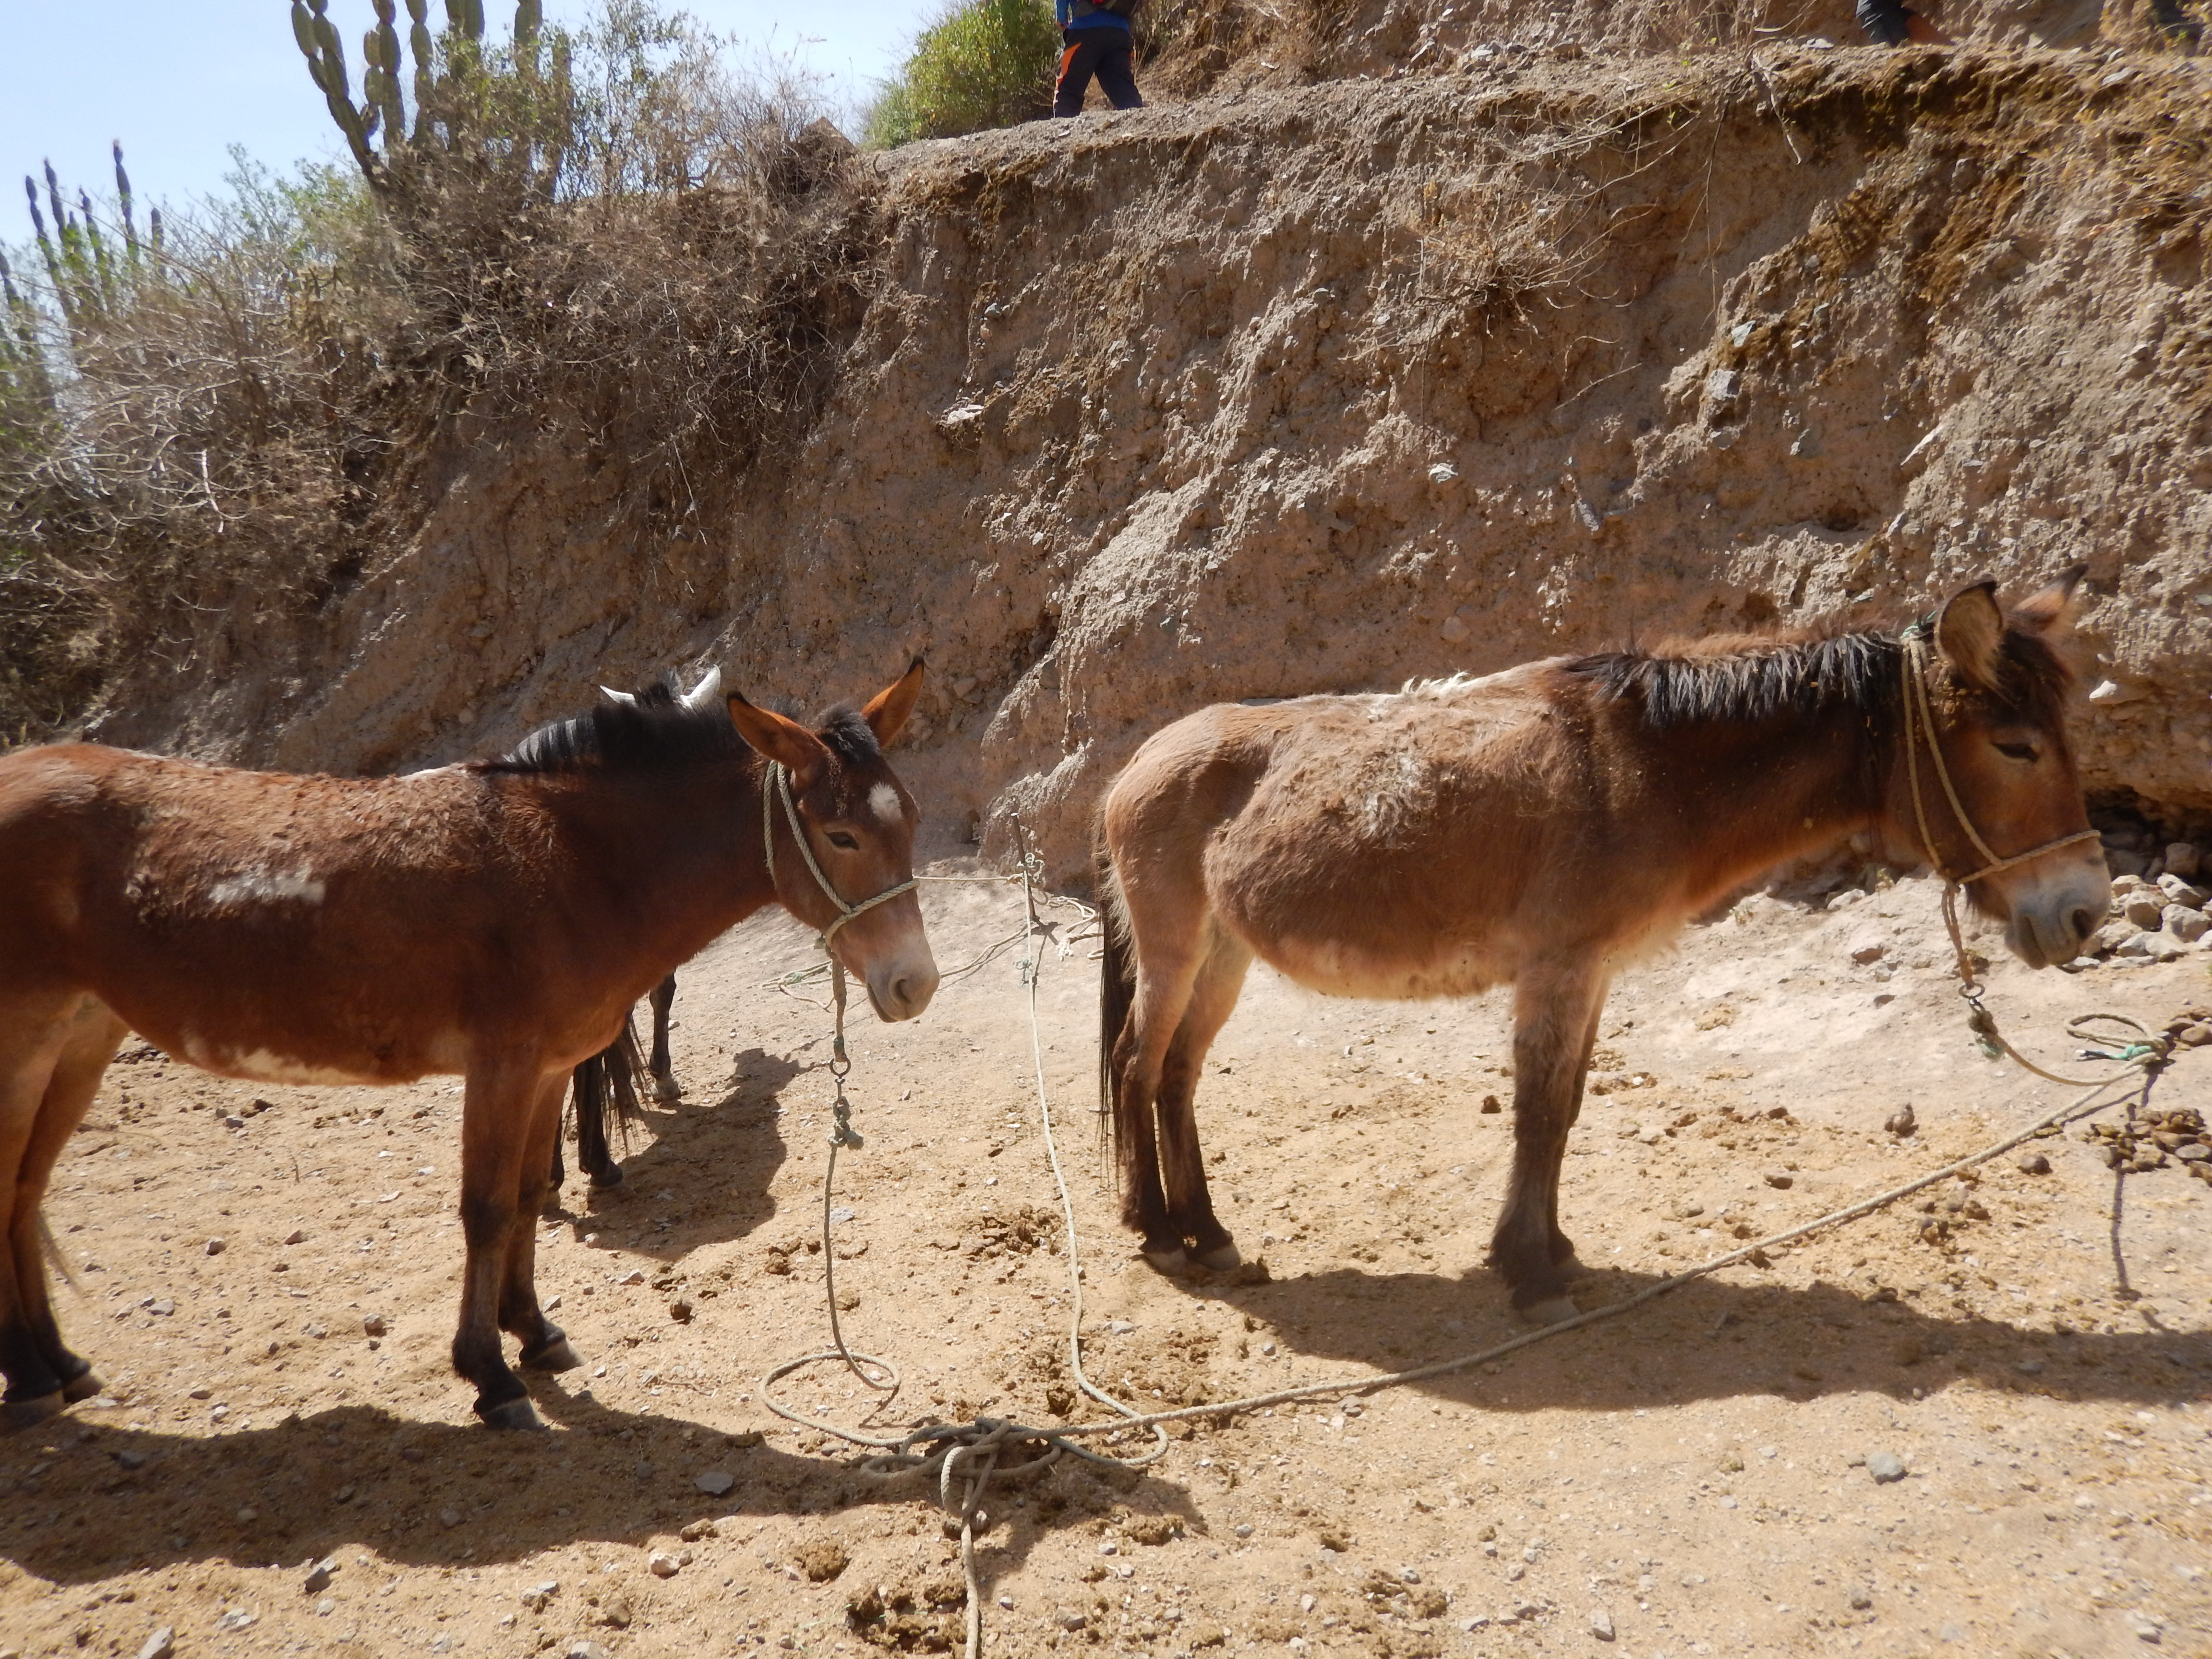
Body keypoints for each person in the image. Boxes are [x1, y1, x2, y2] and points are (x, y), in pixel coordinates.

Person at [1053, 0, 1143, 118]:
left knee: (1069, 90)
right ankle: (1140, 124)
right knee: (1123, 90)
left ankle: (1062, 132)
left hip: (1085, 30)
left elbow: (1062, 6)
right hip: (1120, 33)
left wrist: (1062, 19)